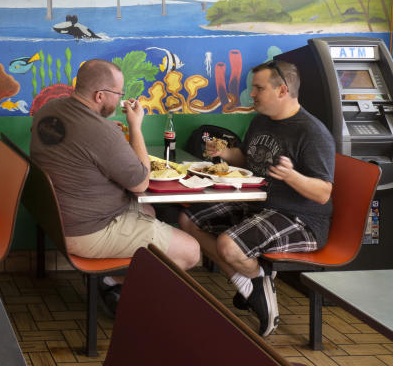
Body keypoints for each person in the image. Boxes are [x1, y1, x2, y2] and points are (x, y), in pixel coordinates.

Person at [31, 59, 201, 314]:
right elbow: (141, 182)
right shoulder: (100, 131)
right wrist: (135, 126)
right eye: (119, 93)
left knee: (149, 212)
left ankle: (113, 281)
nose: (121, 98)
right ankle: (117, 285)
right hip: (87, 231)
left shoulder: (50, 108)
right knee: (191, 252)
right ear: (100, 95)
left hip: (56, 217)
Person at [178, 59, 334, 337]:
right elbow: (248, 158)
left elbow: (323, 193)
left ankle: (256, 284)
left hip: (301, 219)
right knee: (188, 220)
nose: (251, 94)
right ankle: (253, 281)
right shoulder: (261, 120)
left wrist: (292, 176)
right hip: (258, 205)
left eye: (258, 88)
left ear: (282, 91)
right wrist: (224, 153)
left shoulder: (312, 132)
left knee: (229, 246)